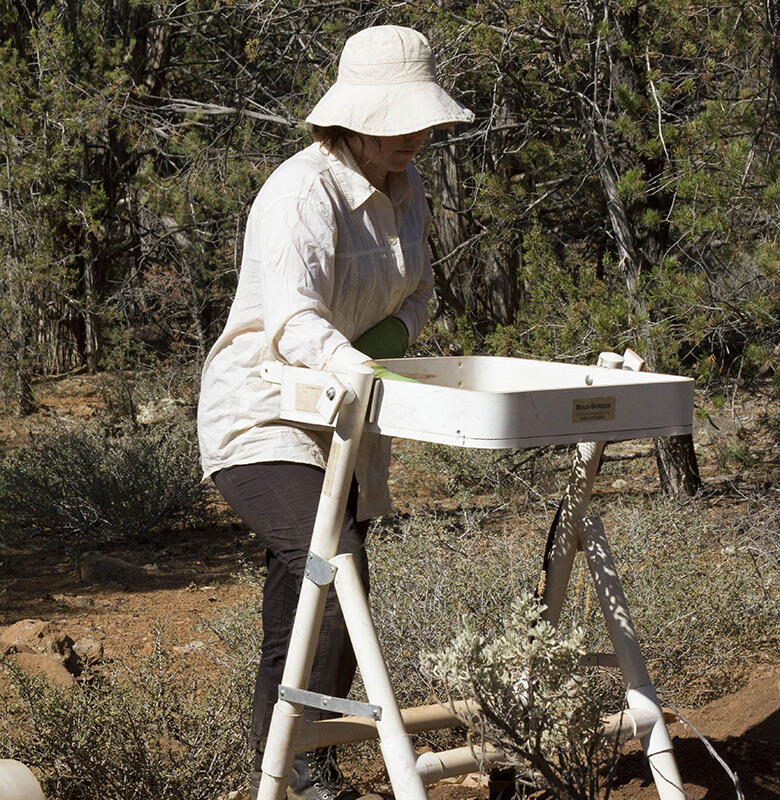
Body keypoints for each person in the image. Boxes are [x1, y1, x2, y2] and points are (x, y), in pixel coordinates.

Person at [197, 25, 473, 800]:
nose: (413, 136)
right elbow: (294, 323)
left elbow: (418, 294)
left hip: (345, 418)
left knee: (302, 604)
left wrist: (380, 351)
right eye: (396, 120)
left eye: (421, 120)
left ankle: (279, 765)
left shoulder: (409, 191)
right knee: (337, 570)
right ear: (352, 117)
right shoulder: (301, 192)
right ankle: (309, 764)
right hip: (264, 413)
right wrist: (364, 370)